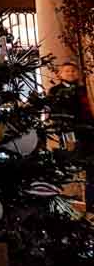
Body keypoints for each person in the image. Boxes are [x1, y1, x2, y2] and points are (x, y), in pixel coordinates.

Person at [47, 62, 94, 213]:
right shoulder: (55, 91)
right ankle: (64, 199)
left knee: (90, 167)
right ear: (60, 74)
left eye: (73, 70)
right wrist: (66, 133)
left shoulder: (83, 90)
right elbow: (56, 114)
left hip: (88, 133)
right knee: (71, 164)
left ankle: (90, 202)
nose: (71, 73)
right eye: (67, 71)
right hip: (69, 133)